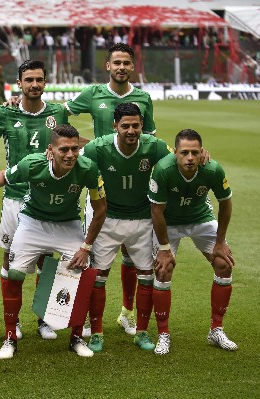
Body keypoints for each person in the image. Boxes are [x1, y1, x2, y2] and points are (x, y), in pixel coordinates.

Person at [0, 59, 70, 340]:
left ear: (45, 83)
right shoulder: (5, 113)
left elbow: (70, 145)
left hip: (46, 198)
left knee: (46, 259)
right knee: (11, 261)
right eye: (29, 80)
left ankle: (44, 319)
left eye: (39, 80)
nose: (34, 85)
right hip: (14, 196)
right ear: (19, 84)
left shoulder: (58, 113)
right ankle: (14, 322)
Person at [0, 124, 106, 360]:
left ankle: (76, 337)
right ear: (50, 151)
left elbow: (101, 208)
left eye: (75, 149)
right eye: (64, 149)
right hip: (33, 222)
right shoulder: (33, 164)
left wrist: (86, 247)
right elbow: (4, 176)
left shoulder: (88, 168)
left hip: (68, 223)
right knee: (15, 274)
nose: (71, 155)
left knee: (83, 273)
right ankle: (10, 337)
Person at [64, 43, 156, 334]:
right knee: (91, 253)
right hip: (97, 181)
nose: (121, 67)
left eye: (126, 63)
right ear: (108, 66)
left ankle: (127, 312)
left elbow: (150, 138)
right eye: (116, 62)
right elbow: (60, 114)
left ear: (133, 66)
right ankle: (91, 319)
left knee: (133, 254)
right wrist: (79, 144)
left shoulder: (143, 98)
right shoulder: (92, 93)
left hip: (132, 185)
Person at [80, 102, 171, 353]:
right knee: (98, 278)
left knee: (146, 276)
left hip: (142, 219)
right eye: (125, 126)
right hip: (106, 219)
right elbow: (73, 166)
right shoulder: (97, 148)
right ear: (114, 126)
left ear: (142, 125)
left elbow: (178, 160)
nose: (131, 131)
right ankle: (96, 333)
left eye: (135, 125)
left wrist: (202, 154)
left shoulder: (155, 147)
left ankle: (141, 332)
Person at [149, 129, 237, 355]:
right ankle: (163, 334)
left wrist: (219, 243)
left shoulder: (213, 169)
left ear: (201, 153)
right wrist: (165, 249)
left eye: (194, 153)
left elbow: (225, 204)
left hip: (201, 218)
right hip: (169, 222)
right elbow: (156, 212)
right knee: (163, 269)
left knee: (223, 264)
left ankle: (216, 329)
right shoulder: (163, 170)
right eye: (184, 152)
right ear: (175, 152)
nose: (190, 158)